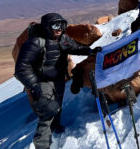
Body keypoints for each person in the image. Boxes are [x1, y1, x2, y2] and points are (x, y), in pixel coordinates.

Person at [14, 13, 101, 149]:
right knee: (47, 111)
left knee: (57, 105)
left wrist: (89, 51)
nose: (59, 28)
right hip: (42, 81)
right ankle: (42, 145)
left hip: (58, 78)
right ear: (47, 27)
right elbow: (21, 69)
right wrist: (34, 86)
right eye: (55, 25)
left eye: (61, 25)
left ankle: (56, 127)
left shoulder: (62, 38)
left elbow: (74, 48)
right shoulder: (35, 42)